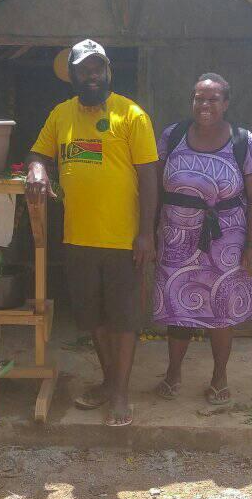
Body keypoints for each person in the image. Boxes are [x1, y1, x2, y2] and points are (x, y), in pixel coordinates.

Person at [25, 39, 158, 427]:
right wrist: (36, 169)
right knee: (93, 317)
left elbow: (150, 177)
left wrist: (146, 233)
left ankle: (119, 393)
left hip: (122, 238)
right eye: (84, 69)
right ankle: (110, 380)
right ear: (73, 75)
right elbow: (38, 153)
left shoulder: (131, 115)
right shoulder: (61, 115)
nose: (92, 74)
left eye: (98, 67)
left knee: (125, 319)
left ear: (108, 70)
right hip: (77, 237)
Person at [153, 73, 252, 405]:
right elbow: (154, 189)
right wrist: (149, 231)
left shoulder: (244, 141)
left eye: (212, 99)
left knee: (222, 309)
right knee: (176, 308)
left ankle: (219, 376)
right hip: (176, 240)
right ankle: (173, 372)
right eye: (198, 98)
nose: (204, 104)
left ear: (226, 104)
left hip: (226, 241)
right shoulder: (172, 136)